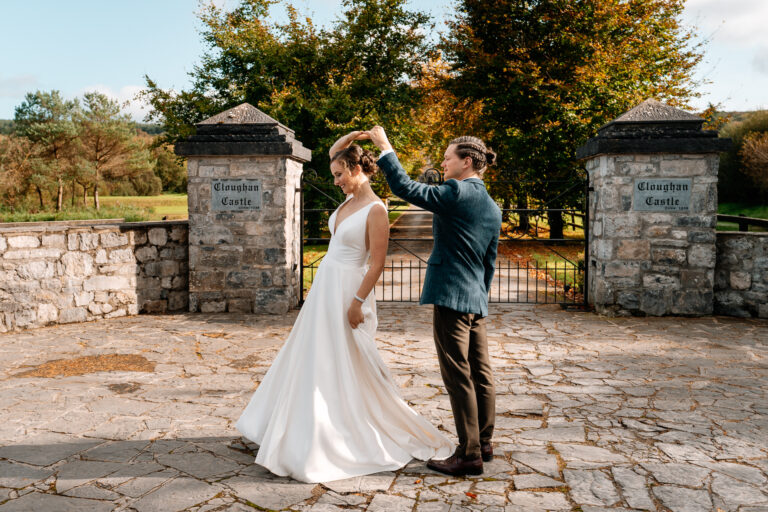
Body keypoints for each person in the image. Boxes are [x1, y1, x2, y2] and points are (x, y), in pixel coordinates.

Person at [235, 130, 452, 483]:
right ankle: (296, 424)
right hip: (324, 288)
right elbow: (335, 149)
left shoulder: (376, 209)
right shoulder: (347, 200)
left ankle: (336, 430)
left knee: (343, 359)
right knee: (312, 354)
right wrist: (356, 135)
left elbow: (377, 263)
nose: (335, 180)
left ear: (356, 169)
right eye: (335, 175)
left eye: (339, 174)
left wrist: (357, 303)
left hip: (348, 290)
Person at [366, 126, 501, 477]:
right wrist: (480, 300)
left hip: (451, 296)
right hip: (474, 299)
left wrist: (384, 147)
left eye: (447, 157)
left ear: (467, 162)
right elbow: (489, 262)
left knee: (458, 375)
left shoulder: (457, 191)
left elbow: (405, 189)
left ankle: (468, 453)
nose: (442, 163)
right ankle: (484, 442)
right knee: (480, 373)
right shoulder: (492, 205)